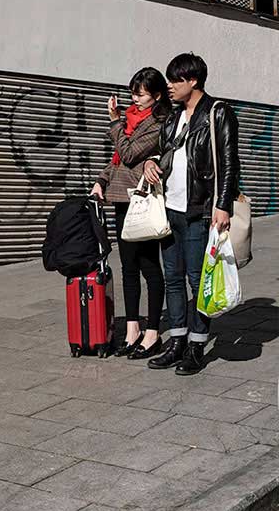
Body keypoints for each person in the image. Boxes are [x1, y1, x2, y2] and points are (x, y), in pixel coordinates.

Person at [143, 53, 241, 375]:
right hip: (169, 210)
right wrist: (150, 163)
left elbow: (229, 162)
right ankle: (177, 342)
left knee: (198, 281)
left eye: (176, 80)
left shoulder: (217, 113)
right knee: (173, 279)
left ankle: (196, 346)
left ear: (193, 80)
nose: (169, 86)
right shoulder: (173, 118)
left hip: (200, 210)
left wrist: (222, 205)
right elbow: (162, 152)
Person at [91, 68, 169, 360]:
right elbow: (117, 161)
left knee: (150, 266)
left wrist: (114, 121)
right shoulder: (130, 119)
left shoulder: (158, 123)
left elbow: (129, 154)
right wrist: (101, 181)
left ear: (156, 95)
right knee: (128, 266)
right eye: (132, 93)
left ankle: (153, 332)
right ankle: (133, 329)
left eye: (140, 94)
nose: (134, 99)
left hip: (143, 200)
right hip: (122, 199)